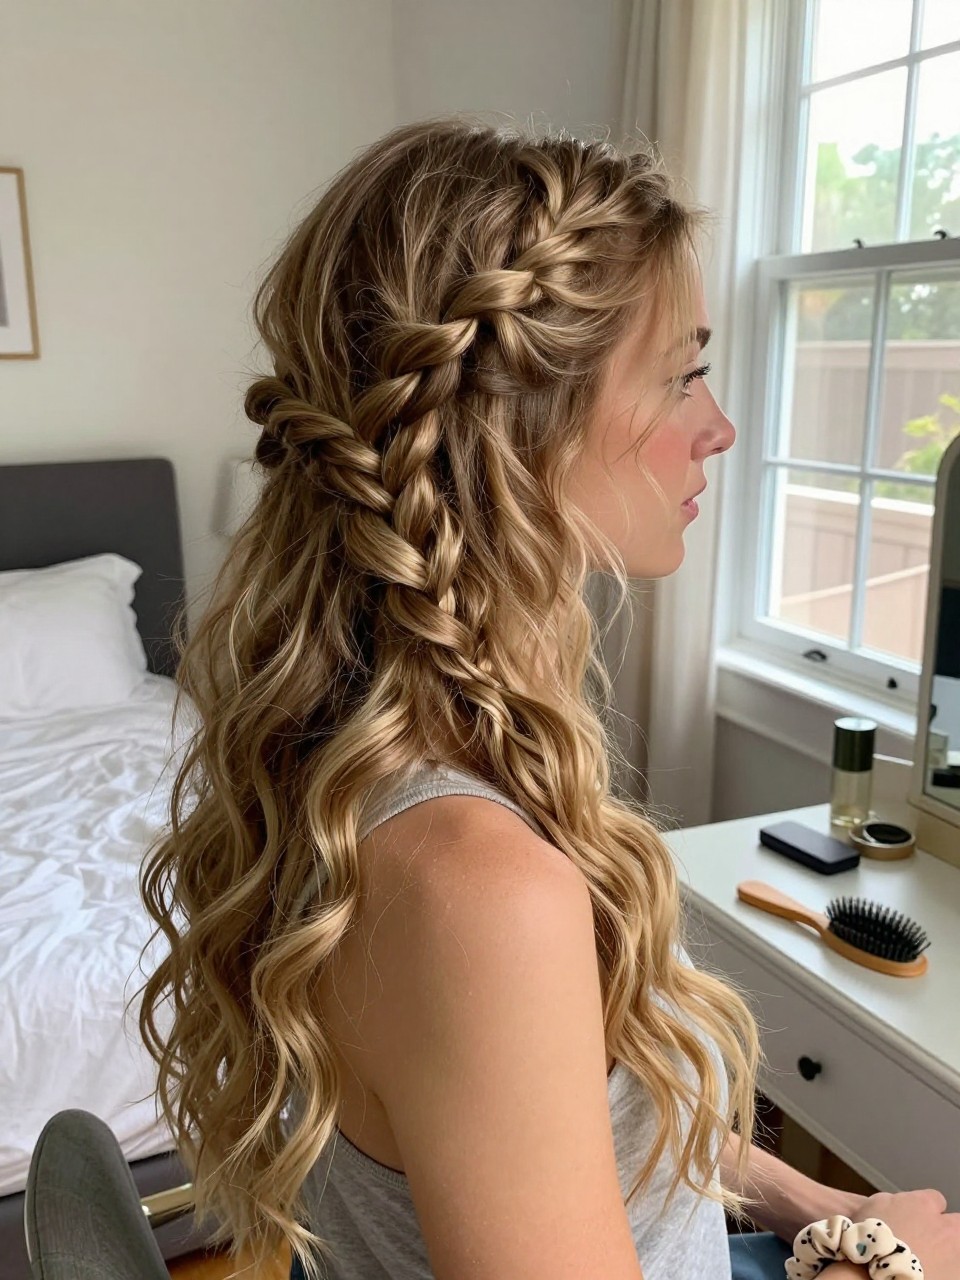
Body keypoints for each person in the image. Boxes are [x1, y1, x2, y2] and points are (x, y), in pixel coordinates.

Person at [135, 116, 960, 1280]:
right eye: (682, 375)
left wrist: (802, 1192)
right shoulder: (479, 884)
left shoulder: (395, 752)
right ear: (518, 428)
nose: (717, 428)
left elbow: (554, 1115)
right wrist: (883, 1259)